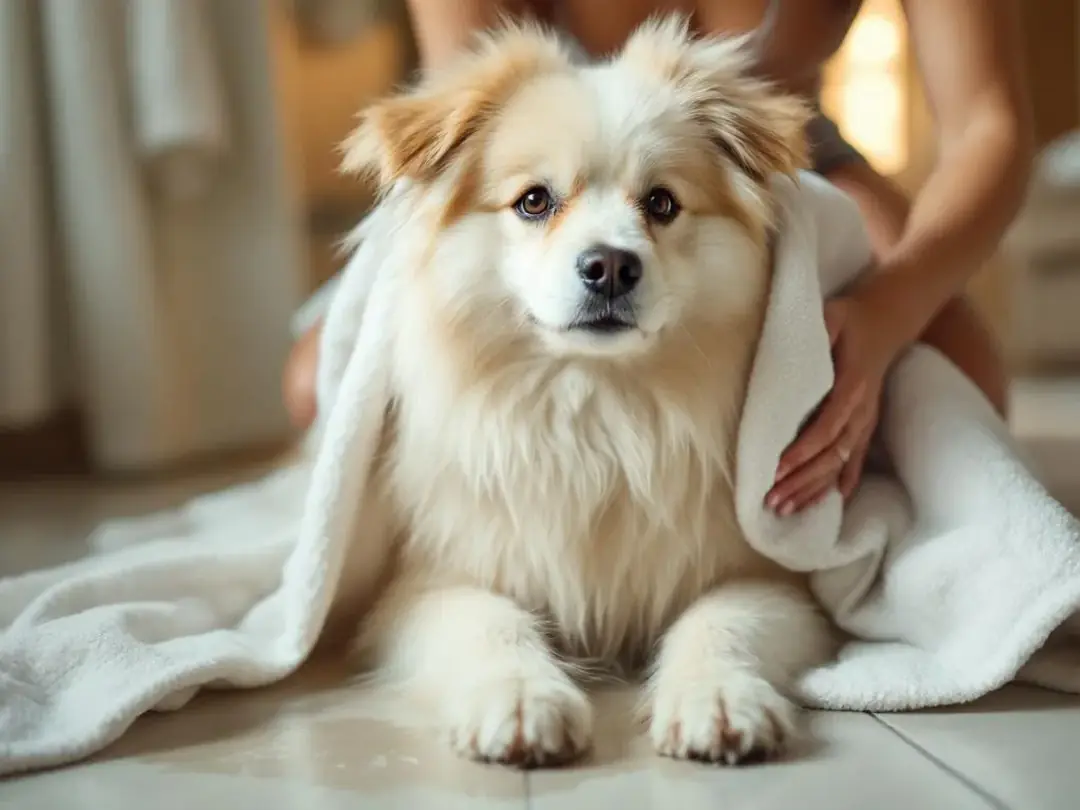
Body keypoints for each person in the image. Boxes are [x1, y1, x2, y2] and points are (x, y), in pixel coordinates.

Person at [283, 0, 1033, 515]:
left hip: (773, 147)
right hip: (541, 172)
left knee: (962, 379)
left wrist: (889, 309)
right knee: (320, 382)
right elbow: (468, 111)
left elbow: (988, 127)